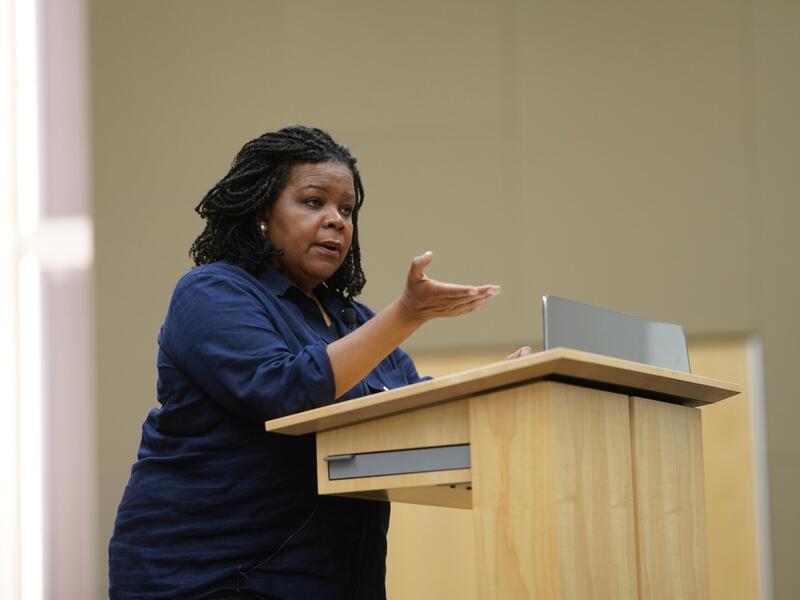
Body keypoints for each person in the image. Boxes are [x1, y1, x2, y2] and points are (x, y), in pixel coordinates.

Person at [108, 125, 528, 600]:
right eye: (313, 202)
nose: (337, 220)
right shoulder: (211, 292)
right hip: (207, 573)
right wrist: (408, 313)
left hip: (327, 575)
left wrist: (500, 385)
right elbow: (285, 392)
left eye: (346, 209)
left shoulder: (351, 319)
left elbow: (413, 405)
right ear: (262, 211)